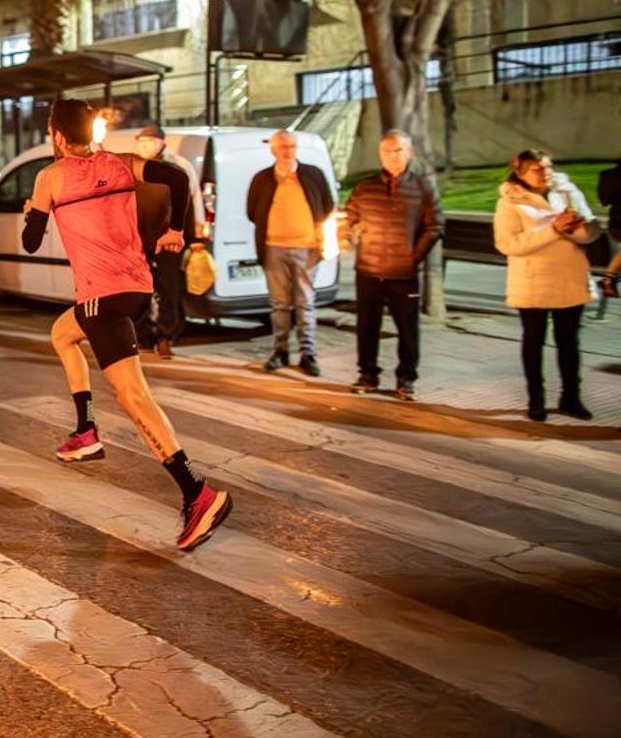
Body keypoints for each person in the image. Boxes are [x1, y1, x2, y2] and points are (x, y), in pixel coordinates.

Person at [23, 100, 231, 551]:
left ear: (57, 135)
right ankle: (86, 430)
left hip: (101, 297)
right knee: (62, 334)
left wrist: (33, 211)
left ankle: (197, 493)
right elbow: (178, 178)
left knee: (134, 398)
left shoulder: (50, 177)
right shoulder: (121, 163)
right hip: (135, 288)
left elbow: (31, 241)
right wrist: (176, 230)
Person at [493, 149, 599, 421]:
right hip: (534, 281)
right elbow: (508, 244)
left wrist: (577, 228)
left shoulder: (567, 191)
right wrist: (553, 230)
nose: (545, 172)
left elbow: (590, 232)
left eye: (548, 166)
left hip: (570, 277)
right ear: (520, 172)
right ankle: (536, 399)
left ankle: (571, 397)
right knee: (534, 340)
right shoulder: (510, 201)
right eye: (537, 169)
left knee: (569, 342)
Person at [342, 130, 444, 401]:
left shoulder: (422, 187)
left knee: (407, 329)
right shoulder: (365, 188)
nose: (392, 156)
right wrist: (347, 234)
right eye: (386, 151)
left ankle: (406, 378)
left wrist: (413, 257)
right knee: (367, 326)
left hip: (403, 273)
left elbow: (435, 226)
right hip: (368, 270)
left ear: (409, 152)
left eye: (398, 150)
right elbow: (349, 218)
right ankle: (367, 374)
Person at [246, 130, 334, 376]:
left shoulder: (312, 175)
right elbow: (252, 211)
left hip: (307, 248)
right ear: (273, 150)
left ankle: (308, 353)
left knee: (305, 302)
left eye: (292, 146)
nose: (288, 151)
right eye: (283, 147)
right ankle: (280, 351)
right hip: (274, 247)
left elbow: (327, 205)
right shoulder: (263, 179)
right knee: (280, 304)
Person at [133, 125, 200, 359]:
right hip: (139, 237)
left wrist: (194, 236)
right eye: (141, 142)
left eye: (149, 141)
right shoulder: (134, 168)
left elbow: (192, 202)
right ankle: (143, 335)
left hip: (168, 236)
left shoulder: (177, 167)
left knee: (169, 287)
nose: (144, 146)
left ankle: (165, 336)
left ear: (162, 142)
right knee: (140, 288)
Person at [598, 156, 620, 298]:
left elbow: (604, 200)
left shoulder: (607, 175)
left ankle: (609, 279)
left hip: (615, 221)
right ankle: (608, 278)